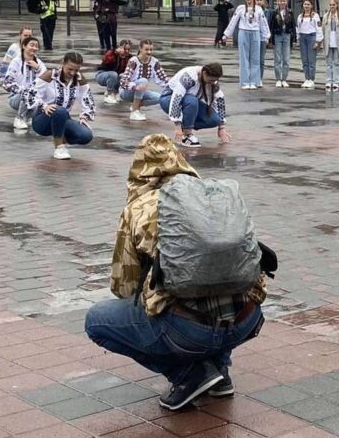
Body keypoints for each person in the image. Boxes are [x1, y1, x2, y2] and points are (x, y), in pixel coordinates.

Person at [83, 134, 267, 410]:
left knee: (96, 321)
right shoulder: (216, 196)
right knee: (220, 279)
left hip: (189, 331)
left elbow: (124, 287)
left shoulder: (138, 207)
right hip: (247, 321)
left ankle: (190, 375)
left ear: (139, 172)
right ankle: (220, 373)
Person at [32, 52, 96, 160]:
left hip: (63, 118)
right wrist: (44, 106)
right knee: (59, 110)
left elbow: (87, 99)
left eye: (76, 70)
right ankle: (59, 148)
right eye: (70, 69)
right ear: (63, 63)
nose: (72, 73)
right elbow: (30, 93)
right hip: (42, 120)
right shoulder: (50, 75)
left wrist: (84, 116)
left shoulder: (79, 79)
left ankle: (60, 136)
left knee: (86, 135)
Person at [164, 62, 231, 148]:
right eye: (211, 80)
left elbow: (219, 100)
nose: (213, 82)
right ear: (204, 73)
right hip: (168, 99)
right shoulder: (189, 77)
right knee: (192, 101)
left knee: (214, 120)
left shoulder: (213, 82)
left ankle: (185, 127)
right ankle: (187, 134)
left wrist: (221, 128)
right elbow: (176, 99)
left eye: (215, 80)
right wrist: (177, 126)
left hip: (190, 103)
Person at [117, 39, 168, 122]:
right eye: (146, 49)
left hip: (141, 92)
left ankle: (135, 106)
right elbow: (123, 81)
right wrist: (134, 87)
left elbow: (163, 79)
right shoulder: (133, 61)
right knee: (143, 81)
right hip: (126, 92)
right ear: (140, 49)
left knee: (161, 98)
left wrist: (174, 89)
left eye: (151, 49)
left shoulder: (154, 62)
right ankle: (134, 112)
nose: (149, 52)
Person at [224, 0, 266, 90]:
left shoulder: (258, 9)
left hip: (255, 32)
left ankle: (254, 81)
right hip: (243, 32)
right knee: (244, 58)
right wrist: (226, 34)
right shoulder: (241, 8)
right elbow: (233, 21)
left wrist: (266, 35)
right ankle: (245, 82)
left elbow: (263, 23)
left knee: (255, 58)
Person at [2, 36, 46, 131]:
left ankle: (29, 117)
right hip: (16, 97)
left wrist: (38, 69)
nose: (34, 48)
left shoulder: (39, 63)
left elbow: (46, 81)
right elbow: (7, 82)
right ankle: (20, 118)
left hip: (35, 97)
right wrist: (22, 90)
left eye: (36, 46)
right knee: (28, 92)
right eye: (32, 45)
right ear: (24, 46)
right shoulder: (16, 62)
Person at [267, 0, 296, 88]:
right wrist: (270, 39)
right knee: (277, 58)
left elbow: (293, 26)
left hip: (287, 35)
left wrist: (294, 40)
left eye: (284, 1)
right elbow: (271, 26)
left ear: (286, 2)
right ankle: (278, 79)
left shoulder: (290, 13)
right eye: (281, 1)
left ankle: (284, 79)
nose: (282, 3)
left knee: (286, 59)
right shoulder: (274, 12)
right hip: (277, 35)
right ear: (278, 2)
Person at [94, 39, 135, 103]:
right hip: (102, 75)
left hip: (116, 77)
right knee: (113, 74)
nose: (127, 51)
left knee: (125, 76)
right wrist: (115, 52)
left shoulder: (130, 58)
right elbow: (105, 59)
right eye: (125, 49)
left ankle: (116, 93)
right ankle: (109, 94)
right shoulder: (112, 53)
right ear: (120, 47)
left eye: (128, 49)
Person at [322, 0, 339, 91]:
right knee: (329, 63)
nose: (332, 6)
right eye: (330, 5)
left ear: (337, 5)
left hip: (338, 40)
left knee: (336, 62)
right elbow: (323, 29)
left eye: (333, 5)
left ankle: (336, 81)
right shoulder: (326, 16)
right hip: (328, 40)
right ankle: (329, 80)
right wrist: (322, 41)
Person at [297, 0, 322, 90]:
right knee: (304, 60)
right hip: (302, 37)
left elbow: (319, 28)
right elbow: (298, 28)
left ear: (311, 6)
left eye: (308, 4)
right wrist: (298, 38)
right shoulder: (300, 16)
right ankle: (306, 78)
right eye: (305, 4)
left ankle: (311, 79)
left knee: (311, 60)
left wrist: (318, 41)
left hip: (311, 37)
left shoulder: (315, 16)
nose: (306, 6)